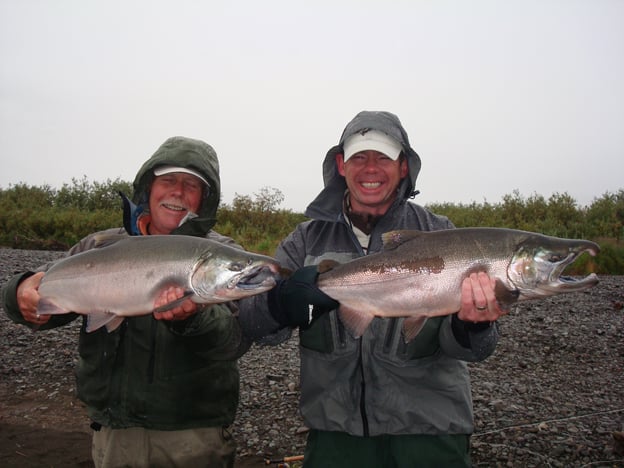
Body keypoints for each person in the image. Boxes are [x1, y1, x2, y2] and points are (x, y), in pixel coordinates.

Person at [238, 111, 507, 467]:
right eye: (359, 157)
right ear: (341, 165)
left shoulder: (440, 233)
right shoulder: (305, 240)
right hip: (335, 436)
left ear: (403, 167)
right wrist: (281, 306)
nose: (370, 168)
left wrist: (474, 325)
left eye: (383, 157)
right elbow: (254, 326)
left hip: (431, 434)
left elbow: (475, 351)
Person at [1, 136, 249, 468]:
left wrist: (192, 319)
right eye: (169, 181)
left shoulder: (223, 255)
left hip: (193, 435)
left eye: (191, 185)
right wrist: (19, 293)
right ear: (149, 187)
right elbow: (39, 298)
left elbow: (234, 338)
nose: (178, 192)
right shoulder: (99, 244)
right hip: (113, 432)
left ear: (204, 199)